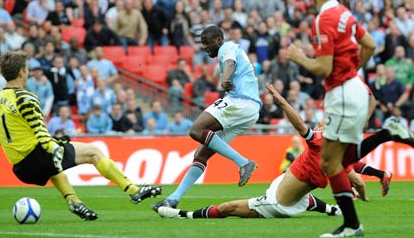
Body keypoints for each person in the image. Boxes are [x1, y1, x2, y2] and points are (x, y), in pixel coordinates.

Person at [0, 51, 162, 221]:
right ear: (21, 72)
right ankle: (133, 190)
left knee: (53, 167)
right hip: (38, 156)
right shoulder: (25, 97)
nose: (28, 73)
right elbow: (40, 130)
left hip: (21, 169)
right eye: (27, 70)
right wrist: (53, 148)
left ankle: (73, 201)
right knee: (93, 152)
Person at [156, 82, 374, 220]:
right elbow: (359, 181)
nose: (320, 124)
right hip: (297, 194)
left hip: (276, 203)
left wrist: (281, 101)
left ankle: (182, 215)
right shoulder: (337, 153)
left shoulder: (320, 142)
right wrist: (363, 197)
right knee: (303, 196)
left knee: (228, 208)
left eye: (324, 123)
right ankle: (333, 210)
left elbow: (299, 124)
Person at [286, 0, 377, 237]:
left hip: (342, 94)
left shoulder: (323, 19)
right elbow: (370, 45)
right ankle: (352, 224)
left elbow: (324, 67)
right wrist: (351, 71)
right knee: (333, 160)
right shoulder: (345, 13)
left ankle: (387, 134)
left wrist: (299, 57)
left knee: (332, 161)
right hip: (354, 88)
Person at [152, 26, 263, 210]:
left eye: (207, 43)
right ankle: (173, 199)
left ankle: (244, 162)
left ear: (219, 40)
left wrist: (224, 79)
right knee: (201, 154)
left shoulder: (227, 48)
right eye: (202, 44)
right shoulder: (232, 50)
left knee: (196, 130)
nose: (205, 47)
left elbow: (229, 63)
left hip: (240, 102)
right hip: (250, 111)